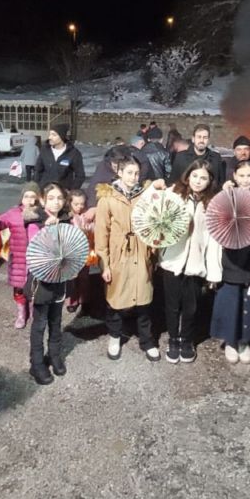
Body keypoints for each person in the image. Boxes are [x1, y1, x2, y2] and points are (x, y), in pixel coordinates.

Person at [95, 154, 161, 362]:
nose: (134, 177)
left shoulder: (146, 195)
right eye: (129, 173)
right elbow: (101, 232)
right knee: (115, 299)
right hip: (118, 255)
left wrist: (153, 251)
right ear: (120, 172)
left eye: (137, 173)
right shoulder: (108, 198)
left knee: (144, 301)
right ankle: (115, 336)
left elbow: (153, 223)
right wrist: (104, 263)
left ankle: (147, 340)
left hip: (141, 253)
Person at [158, 161, 222, 364]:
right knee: (171, 305)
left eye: (203, 178)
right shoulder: (173, 195)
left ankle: (187, 339)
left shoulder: (213, 204)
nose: (198, 181)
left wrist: (213, 272)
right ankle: (173, 339)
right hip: (173, 260)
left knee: (191, 306)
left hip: (196, 263)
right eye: (195, 176)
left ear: (210, 180)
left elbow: (214, 240)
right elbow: (155, 216)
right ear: (188, 176)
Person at [210, 161, 250, 365]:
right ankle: (230, 341)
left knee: (249, 301)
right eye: (241, 176)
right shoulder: (225, 197)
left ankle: (244, 340)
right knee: (230, 299)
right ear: (234, 176)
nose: (245, 180)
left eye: (249, 176)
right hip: (230, 255)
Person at [24, 184, 72, 384]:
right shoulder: (36, 221)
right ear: (43, 200)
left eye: (59, 198)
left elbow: (71, 247)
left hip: (60, 279)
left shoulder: (65, 220)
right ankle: (36, 363)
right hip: (41, 280)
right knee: (40, 323)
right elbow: (35, 252)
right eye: (51, 198)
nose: (56, 202)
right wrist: (49, 230)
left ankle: (54, 355)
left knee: (56, 320)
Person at [0, 183, 44, 329]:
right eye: (26, 196)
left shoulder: (41, 213)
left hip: (35, 259)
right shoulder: (13, 213)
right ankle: (21, 314)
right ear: (21, 198)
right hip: (18, 259)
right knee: (19, 288)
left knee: (35, 288)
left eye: (33, 196)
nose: (29, 200)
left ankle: (32, 312)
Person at [65, 190, 94, 314]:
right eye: (76, 204)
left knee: (84, 278)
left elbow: (93, 229)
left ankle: (84, 299)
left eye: (82, 204)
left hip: (85, 251)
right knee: (71, 278)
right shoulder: (68, 217)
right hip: (71, 252)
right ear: (70, 203)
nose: (79, 207)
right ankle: (72, 300)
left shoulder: (87, 216)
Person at [32, 125, 85, 192]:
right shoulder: (45, 150)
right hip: (45, 192)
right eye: (50, 134)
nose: (50, 137)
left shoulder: (73, 153)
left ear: (62, 136)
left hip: (63, 194)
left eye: (54, 135)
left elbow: (80, 176)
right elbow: (37, 170)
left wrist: (71, 191)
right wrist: (38, 187)